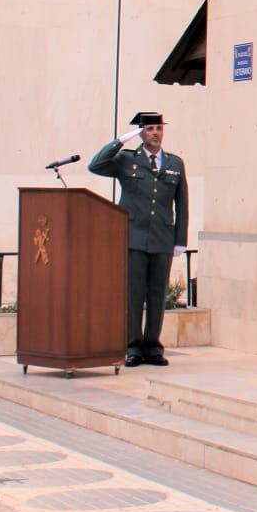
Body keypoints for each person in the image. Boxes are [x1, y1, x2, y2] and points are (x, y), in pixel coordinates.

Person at [88, 111, 188, 367]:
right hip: (133, 237)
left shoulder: (175, 163)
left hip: (162, 238)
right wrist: (120, 141)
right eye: (150, 129)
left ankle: (153, 347)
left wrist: (180, 239)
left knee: (157, 294)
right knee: (134, 294)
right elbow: (95, 165)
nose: (155, 133)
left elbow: (182, 203)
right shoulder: (126, 160)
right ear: (141, 133)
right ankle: (132, 346)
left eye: (158, 128)